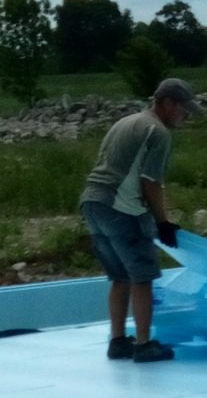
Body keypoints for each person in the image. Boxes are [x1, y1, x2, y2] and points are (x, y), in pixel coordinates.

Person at [79, 78, 194, 363]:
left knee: (120, 277)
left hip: (93, 202)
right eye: (183, 108)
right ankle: (144, 345)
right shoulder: (158, 132)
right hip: (122, 208)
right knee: (142, 277)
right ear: (167, 103)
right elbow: (151, 181)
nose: (187, 115)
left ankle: (118, 341)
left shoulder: (126, 122)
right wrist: (162, 221)